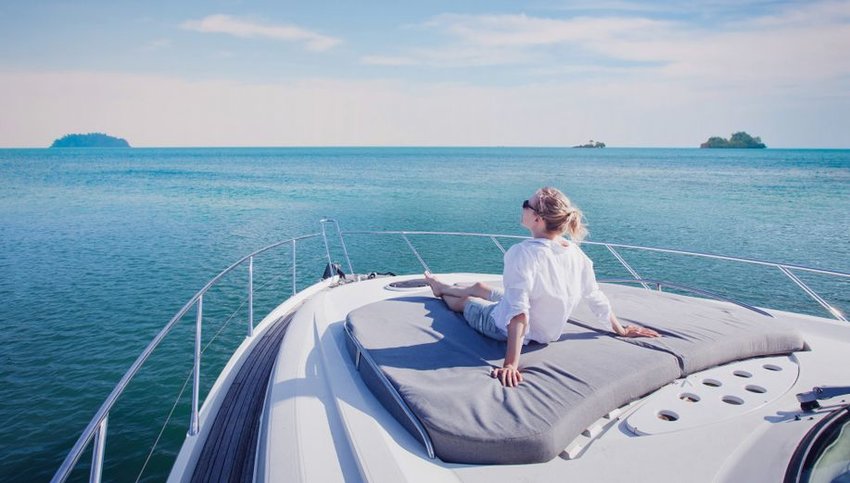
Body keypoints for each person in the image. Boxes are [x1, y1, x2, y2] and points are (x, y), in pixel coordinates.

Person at [424, 187, 660, 388]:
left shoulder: (522, 254)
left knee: (466, 304)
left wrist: (510, 364)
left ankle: (441, 291)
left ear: (538, 219)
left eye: (527, 204)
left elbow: (518, 313)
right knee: (481, 287)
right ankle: (461, 287)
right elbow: (594, 295)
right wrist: (620, 329)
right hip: (545, 330)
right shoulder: (575, 253)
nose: (523, 206)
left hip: (502, 326)